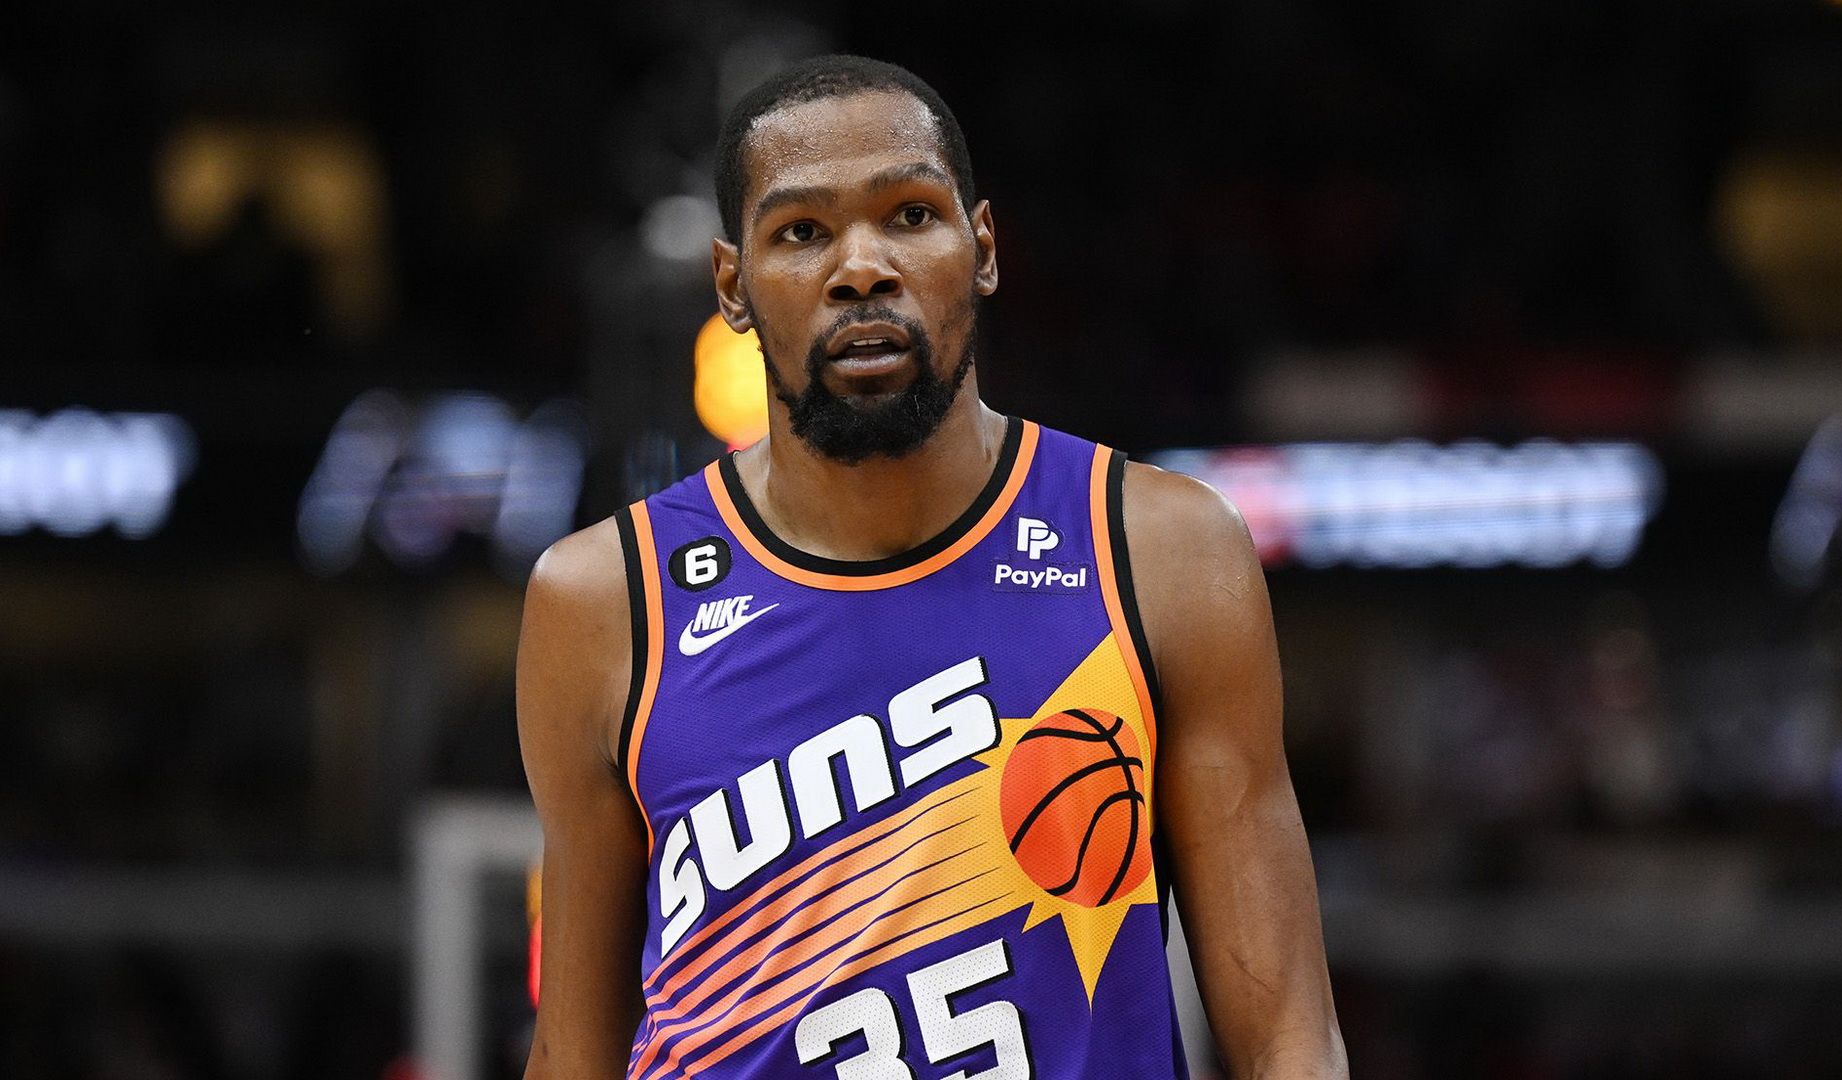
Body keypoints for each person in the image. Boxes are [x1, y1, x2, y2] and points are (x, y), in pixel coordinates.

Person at [518, 55, 1346, 1079]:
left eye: (910, 216)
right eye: (802, 232)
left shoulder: (1161, 549)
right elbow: (574, 1052)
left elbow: (1289, 1038)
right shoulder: (604, 599)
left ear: (982, 248)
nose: (861, 268)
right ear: (732, 286)